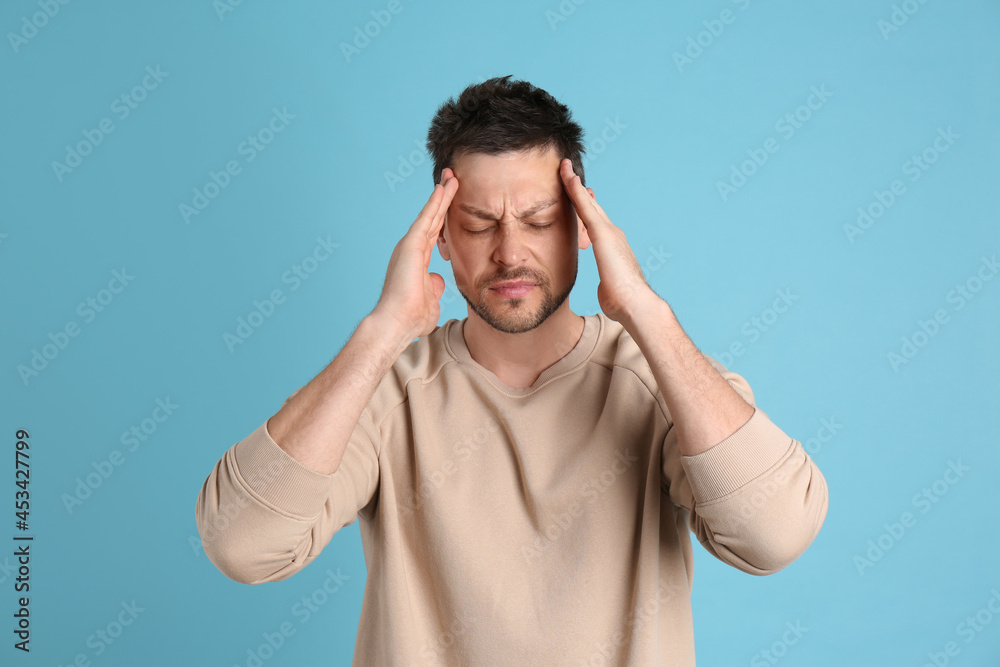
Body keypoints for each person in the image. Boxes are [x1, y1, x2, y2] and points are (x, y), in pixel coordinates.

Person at [195, 75, 829, 666]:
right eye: (477, 225)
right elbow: (241, 544)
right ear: (440, 236)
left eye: (539, 220)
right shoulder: (386, 389)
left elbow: (774, 536)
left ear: (585, 225)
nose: (510, 253)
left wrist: (643, 310)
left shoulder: (662, 382)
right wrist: (382, 331)